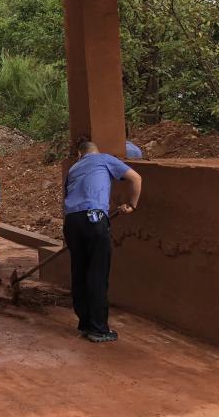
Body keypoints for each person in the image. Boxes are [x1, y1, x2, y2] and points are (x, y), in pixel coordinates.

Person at [63, 139, 143, 343]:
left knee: (79, 272)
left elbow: (66, 197)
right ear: (95, 151)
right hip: (94, 219)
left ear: (80, 155)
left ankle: (85, 324)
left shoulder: (73, 169)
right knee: (97, 274)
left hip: (72, 221)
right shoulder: (104, 159)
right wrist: (132, 205)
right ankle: (99, 329)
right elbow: (136, 178)